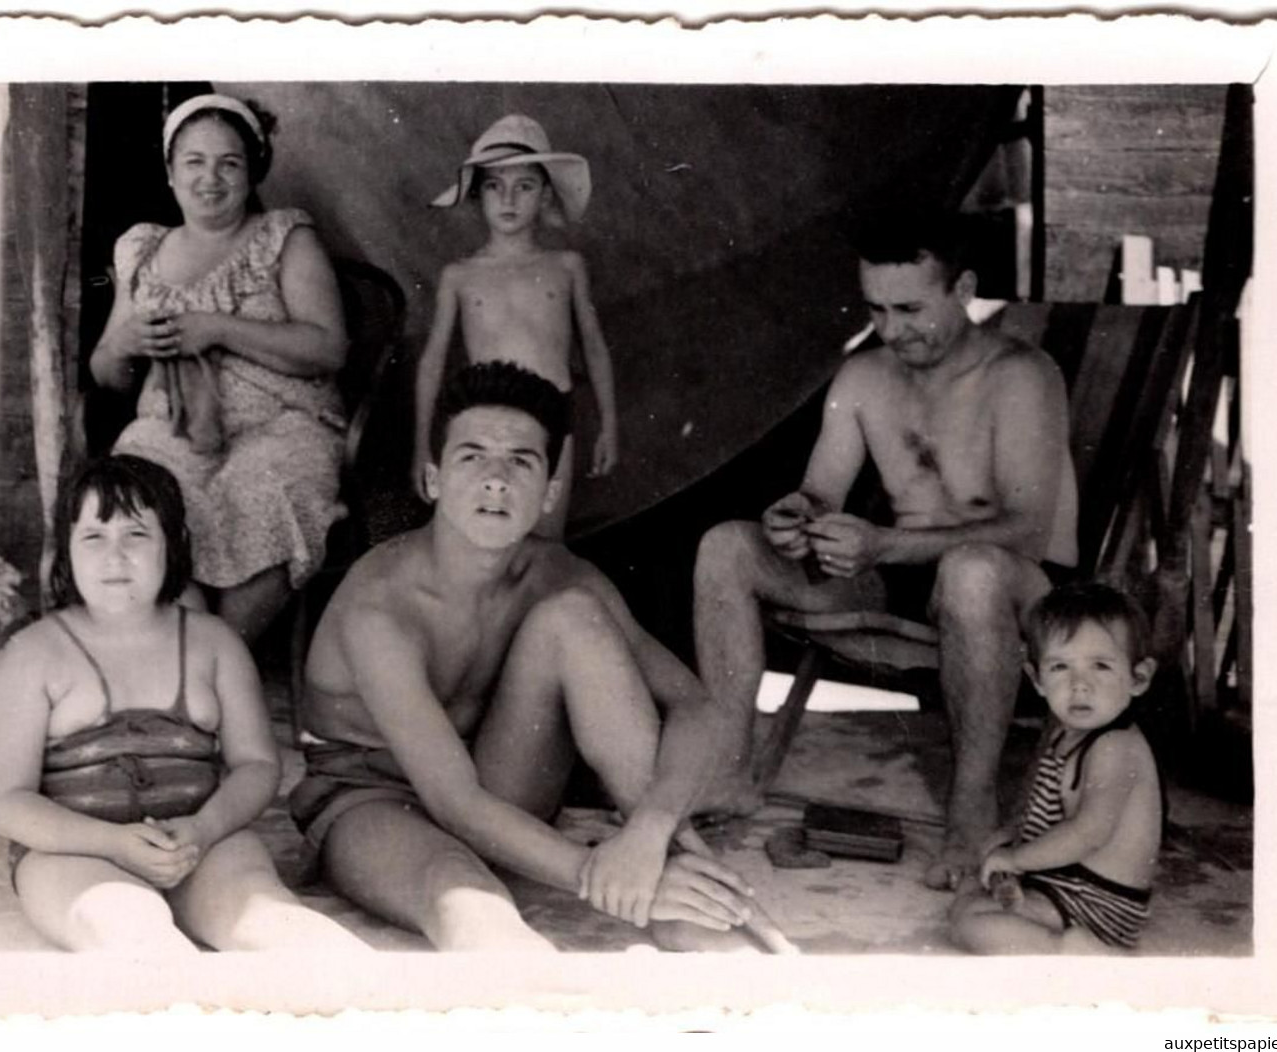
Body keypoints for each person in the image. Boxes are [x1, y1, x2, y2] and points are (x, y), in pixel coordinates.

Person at [297, 362, 784, 952]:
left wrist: (650, 834)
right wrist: (598, 874)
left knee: (573, 617)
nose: (495, 480)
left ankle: (680, 890)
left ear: (551, 491)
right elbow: (453, 801)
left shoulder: (555, 572)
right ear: (432, 479)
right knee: (466, 900)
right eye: (472, 456)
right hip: (371, 798)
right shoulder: (380, 606)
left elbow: (696, 705)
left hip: (494, 780)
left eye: (521, 461)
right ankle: (610, 928)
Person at [692, 208, 1079, 889]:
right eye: (876, 309)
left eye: (909, 308)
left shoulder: (1021, 374)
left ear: (962, 289)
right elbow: (819, 491)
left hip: (1013, 580)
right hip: (895, 569)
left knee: (971, 572)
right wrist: (795, 518)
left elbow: (1027, 527)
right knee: (726, 546)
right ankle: (730, 773)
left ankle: (969, 809)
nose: (891, 330)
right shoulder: (863, 376)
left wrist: (884, 545)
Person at [0, 455, 368, 953]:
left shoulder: (213, 643)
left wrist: (204, 830)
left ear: (173, 545)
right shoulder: (32, 654)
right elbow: (5, 804)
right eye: (93, 537)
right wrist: (114, 843)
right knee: (131, 933)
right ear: (66, 551)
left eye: (136, 535)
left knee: (284, 931)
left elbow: (256, 764)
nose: (114, 556)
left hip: (200, 844)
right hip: (74, 851)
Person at [90, 93, 348, 643]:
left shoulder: (285, 237)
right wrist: (125, 343)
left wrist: (220, 328)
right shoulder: (140, 249)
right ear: (170, 172)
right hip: (170, 427)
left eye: (229, 163)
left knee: (260, 495)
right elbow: (107, 375)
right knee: (135, 502)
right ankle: (182, 663)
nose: (211, 178)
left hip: (284, 424)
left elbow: (328, 349)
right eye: (194, 162)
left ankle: (218, 666)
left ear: (252, 171)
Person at [412, 113, 618, 538]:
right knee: (481, 538)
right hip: (481, 419)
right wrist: (421, 446)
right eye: (494, 186)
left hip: (552, 415)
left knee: (543, 539)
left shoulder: (565, 267)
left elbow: (595, 347)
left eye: (523, 186)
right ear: (476, 196)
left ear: (544, 195)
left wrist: (609, 425)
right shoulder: (460, 275)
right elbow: (432, 362)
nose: (508, 199)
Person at [949, 581, 1160, 954]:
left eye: (1101, 666)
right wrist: (1011, 836)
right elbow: (1050, 810)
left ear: (1138, 678)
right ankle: (1057, 940)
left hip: (1100, 905)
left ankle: (1073, 954)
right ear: (1037, 680)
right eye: (1060, 667)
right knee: (968, 900)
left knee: (972, 926)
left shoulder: (1116, 747)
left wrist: (1016, 859)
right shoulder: (1066, 733)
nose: (1079, 685)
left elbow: (1087, 832)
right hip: (1065, 885)